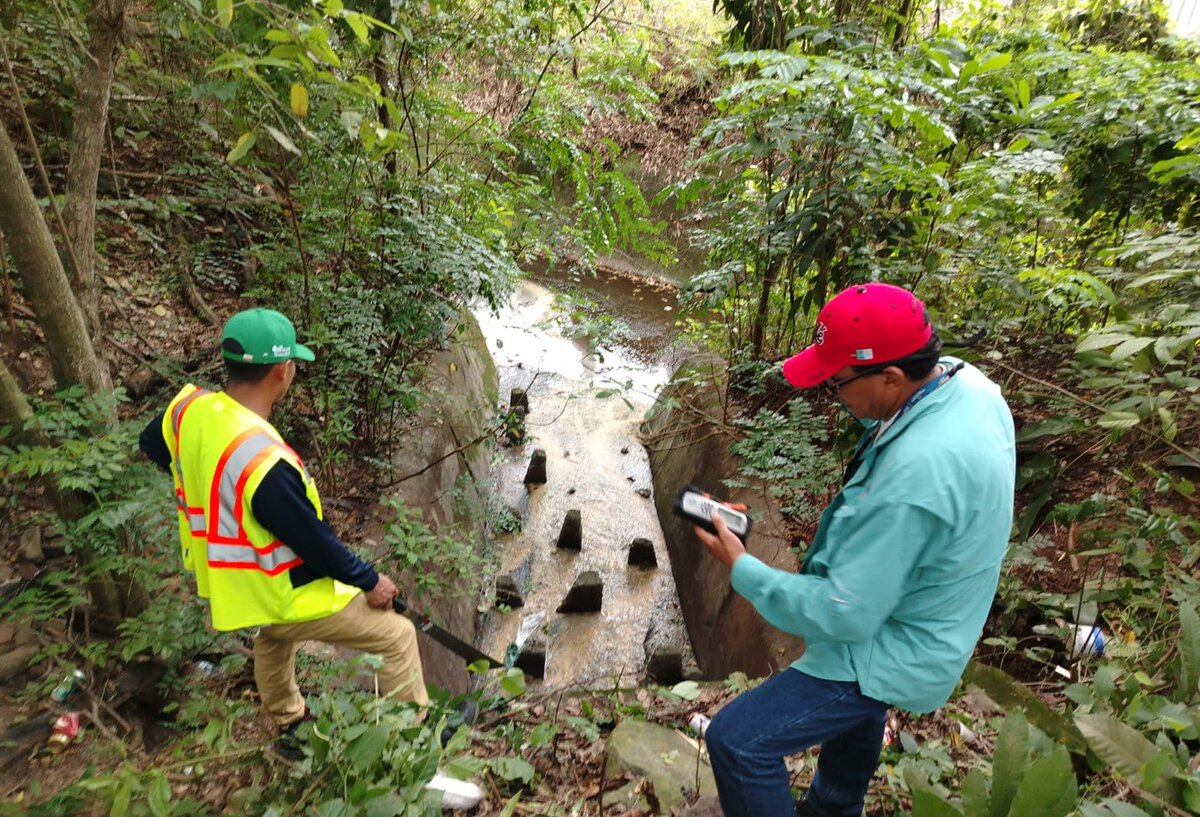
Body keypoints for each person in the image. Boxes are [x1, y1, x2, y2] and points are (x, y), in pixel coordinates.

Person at [692, 283, 1015, 817]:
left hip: (895, 642)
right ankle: (834, 808)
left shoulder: (917, 473)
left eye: (837, 381)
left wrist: (741, 565)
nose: (831, 391)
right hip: (927, 606)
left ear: (891, 377)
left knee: (738, 741)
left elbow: (845, 614)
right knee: (855, 718)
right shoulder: (965, 384)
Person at [138, 308, 427, 758]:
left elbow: (151, 445)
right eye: (293, 363)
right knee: (397, 636)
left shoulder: (188, 409)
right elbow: (313, 541)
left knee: (274, 637)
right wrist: (371, 581)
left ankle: (290, 721)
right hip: (275, 588)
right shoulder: (264, 461)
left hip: (232, 580)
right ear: (282, 371)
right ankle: (411, 739)